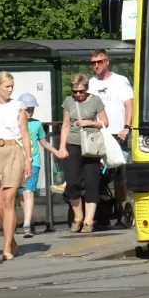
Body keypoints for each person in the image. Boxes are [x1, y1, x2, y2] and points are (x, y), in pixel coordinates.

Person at [0, 72, 33, 262]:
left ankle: (6, 247)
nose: (10, 89)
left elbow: (25, 133)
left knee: (8, 200)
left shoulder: (17, 106)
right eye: (7, 86)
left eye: (12, 86)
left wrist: (28, 159)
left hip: (14, 150)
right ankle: (11, 239)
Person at [58, 75, 109, 234]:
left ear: (87, 89)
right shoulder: (69, 101)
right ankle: (78, 217)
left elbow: (105, 122)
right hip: (73, 144)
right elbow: (65, 125)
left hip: (91, 144)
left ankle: (89, 221)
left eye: (81, 91)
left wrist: (90, 123)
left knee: (91, 182)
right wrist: (61, 147)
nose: (78, 94)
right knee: (72, 183)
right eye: (75, 92)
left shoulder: (95, 101)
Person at [88, 49, 133, 226]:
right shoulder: (91, 84)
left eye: (99, 62)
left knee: (120, 174)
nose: (96, 66)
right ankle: (103, 211)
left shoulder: (120, 81)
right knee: (99, 174)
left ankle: (122, 209)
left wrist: (126, 127)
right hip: (98, 134)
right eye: (93, 63)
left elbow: (129, 104)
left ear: (107, 62)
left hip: (117, 133)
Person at [17, 93, 59, 238]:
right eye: (27, 109)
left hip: (33, 162)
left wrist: (57, 152)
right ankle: (30, 221)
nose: (30, 111)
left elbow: (44, 142)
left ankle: (26, 225)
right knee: (22, 194)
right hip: (17, 162)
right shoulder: (14, 123)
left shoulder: (36, 124)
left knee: (28, 192)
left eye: (32, 109)